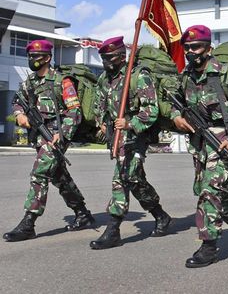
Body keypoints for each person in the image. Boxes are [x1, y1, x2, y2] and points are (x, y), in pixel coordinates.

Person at [170, 25, 228, 268]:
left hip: (223, 141)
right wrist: (176, 116)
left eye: (196, 47)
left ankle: (208, 246)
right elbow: (177, 101)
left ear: (209, 48)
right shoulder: (187, 75)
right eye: (186, 48)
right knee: (209, 190)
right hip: (199, 143)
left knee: (209, 192)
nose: (191, 51)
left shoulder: (227, 74)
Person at [4, 40, 94, 242]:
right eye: (30, 57)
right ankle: (82, 214)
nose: (32, 60)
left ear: (47, 58)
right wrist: (19, 115)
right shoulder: (30, 83)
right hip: (39, 135)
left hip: (56, 136)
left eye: (36, 57)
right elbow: (17, 101)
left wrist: (61, 133)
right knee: (60, 177)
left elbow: (74, 111)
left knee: (40, 173)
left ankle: (29, 222)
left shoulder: (62, 81)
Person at [90, 36, 171, 250]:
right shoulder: (104, 80)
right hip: (116, 137)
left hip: (136, 136)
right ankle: (160, 214)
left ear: (122, 56)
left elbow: (150, 109)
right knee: (135, 179)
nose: (107, 62)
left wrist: (130, 123)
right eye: (104, 58)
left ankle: (113, 229)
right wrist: (102, 124)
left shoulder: (137, 76)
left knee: (122, 178)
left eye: (110, 57)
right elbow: (98, 105)